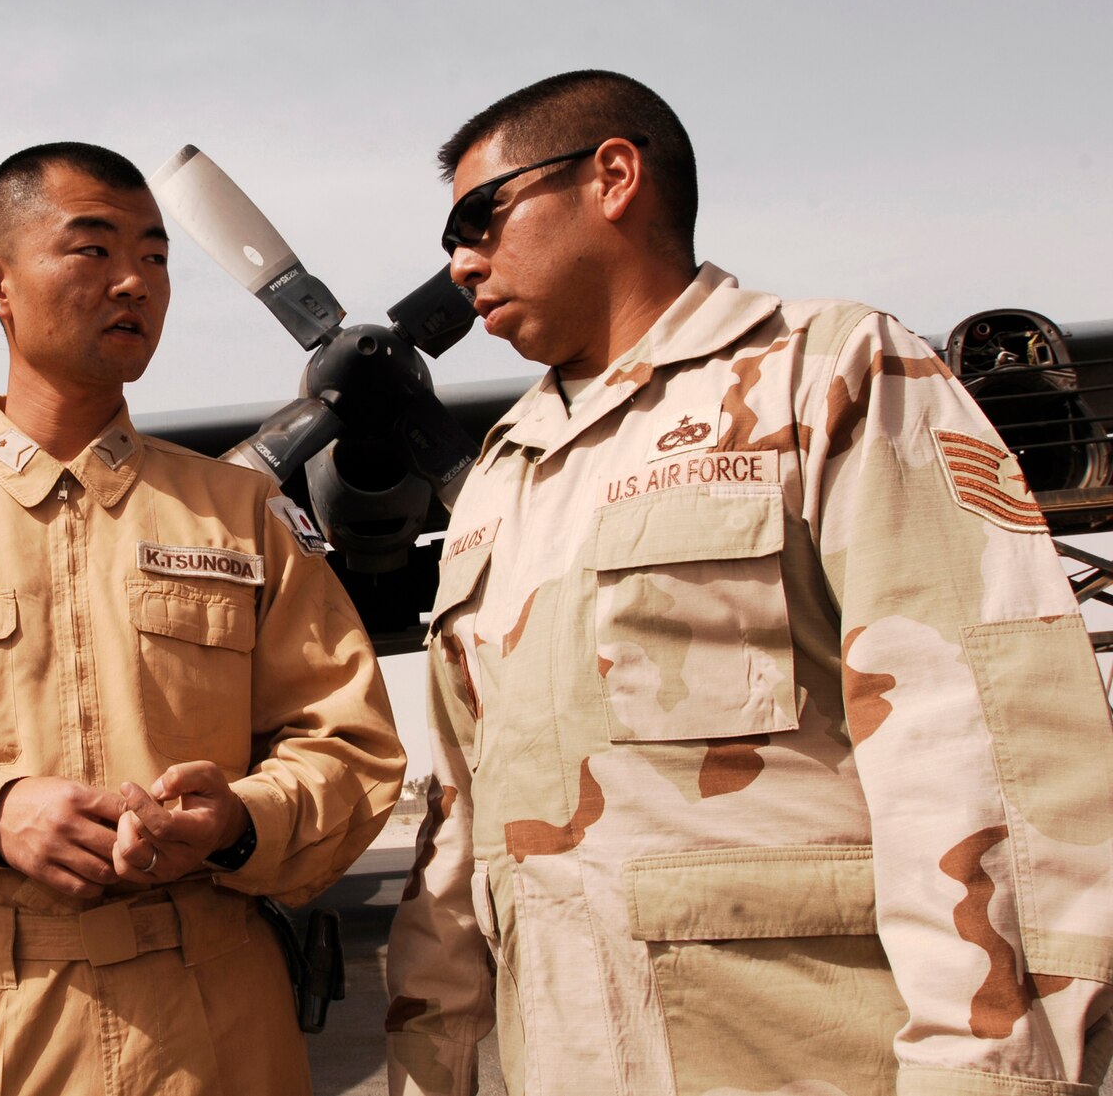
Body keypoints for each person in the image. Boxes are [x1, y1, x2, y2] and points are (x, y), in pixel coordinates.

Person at [385, 71, 1113, 1095]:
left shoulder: (827, 373)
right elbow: (458, 810)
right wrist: (431, 1060)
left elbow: (988, 739)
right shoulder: (500, 473)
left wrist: (995, 1073)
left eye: (479, 215)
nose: (458, 263)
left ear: (612, 176)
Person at [0, 141, 405, 1095]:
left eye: (156, 257)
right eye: (93, 249)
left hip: (221, 1010)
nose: (135, 283)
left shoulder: (243, 516)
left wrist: (240, 820)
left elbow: (350, 744)